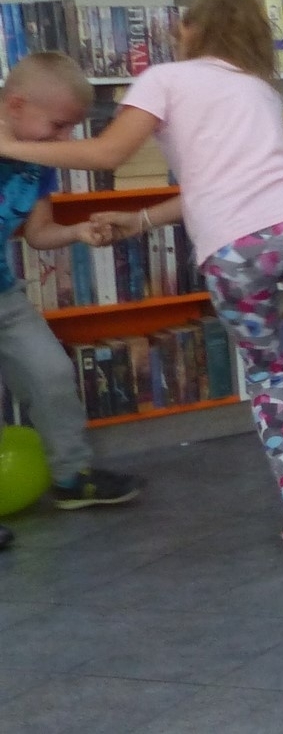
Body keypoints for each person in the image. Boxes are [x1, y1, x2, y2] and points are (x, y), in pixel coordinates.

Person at [0, 0, 283, 553]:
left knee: (268, 378)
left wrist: (9, 144)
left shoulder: (165, 77)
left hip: (233, 251)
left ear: (189, 29)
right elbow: (222, 183)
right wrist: (138, 221)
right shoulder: (258, 88)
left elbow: (110, 154)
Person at [0, 53, 144, 548]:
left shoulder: (38, 163)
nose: (65, 142)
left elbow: (37, 234)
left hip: (4, 296)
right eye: (58, 126)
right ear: (16, 105)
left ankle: (71, 479)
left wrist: (78, 231)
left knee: (52, 374)